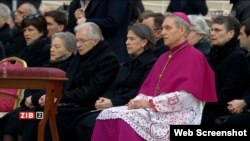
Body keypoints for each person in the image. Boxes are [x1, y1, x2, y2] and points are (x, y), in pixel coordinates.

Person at [91, 12, 217, 141]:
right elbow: (149, 88)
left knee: (125, 119)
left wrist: (151, 103)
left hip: (179, 114)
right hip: (155, 110)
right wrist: (136, 102)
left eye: (168, 28)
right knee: (107, 114)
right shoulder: (163, 57)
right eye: (162, 28)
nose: (162, 33)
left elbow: (188, 97)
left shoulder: (195, 57)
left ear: (181, 30)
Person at [74, 23, 157, 141]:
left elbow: (140, 91)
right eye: (127, 39)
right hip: (113, 106)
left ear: (144, 42)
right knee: (81, 123)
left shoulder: (152, 64)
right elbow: (113, 86)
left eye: (132, 39)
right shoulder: (127, 63)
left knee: (88, 124)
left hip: (131, 109)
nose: (127, 42)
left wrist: (112, 102)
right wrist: (104, 99)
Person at [0, 31, 76, 141]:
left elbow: (56, 89)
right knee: (8, 119)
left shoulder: (69, 68)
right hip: (30, 106)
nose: (51, 49)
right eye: (52, 46)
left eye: (57, 47)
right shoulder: (47, 64)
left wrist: (33, 99)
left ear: (69, 50)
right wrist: (27, 98)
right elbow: (31, 85)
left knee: (21, 118)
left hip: (46, 112)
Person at [201, 16, 249, 125]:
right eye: (212, 30)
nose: (212, 33)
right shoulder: (212, 53)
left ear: (231, 34)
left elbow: (229, 94)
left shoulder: (237, 57)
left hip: (219, 115)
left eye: (217, 30)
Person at [67, 0, 131, 62]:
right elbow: (71, 27)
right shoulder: (76, 3)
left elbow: (113, 22)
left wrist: (86, 21)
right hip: (86, 54)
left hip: (110, 52)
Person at [215, 19, 250, 125]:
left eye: (241, 34)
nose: (238, 37)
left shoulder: (238, 56)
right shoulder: (246, 56)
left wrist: (245, 102)